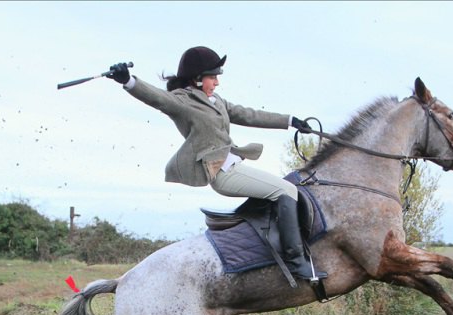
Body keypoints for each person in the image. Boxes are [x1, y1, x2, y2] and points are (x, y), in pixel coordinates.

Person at [105, 47, 326, 282]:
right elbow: (157, 98)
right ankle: (296, 263)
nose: (217, 82)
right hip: (221, 173)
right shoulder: (182, 101)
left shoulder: (216, 100)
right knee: (286, 190)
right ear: (197, 79)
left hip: (234, 165)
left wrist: (291, 121)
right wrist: (128, 81)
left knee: (286, 187)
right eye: (213, 77)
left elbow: (247, 114)